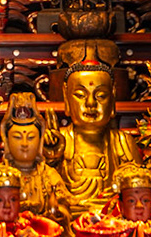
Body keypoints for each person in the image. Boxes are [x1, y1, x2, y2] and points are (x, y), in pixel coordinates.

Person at [57, 63, 142, 218]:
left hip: (112, 220)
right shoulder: (58, 141)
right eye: (80, 95)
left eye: (101, 96)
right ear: (66, 97)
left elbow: (138, 189)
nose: (90, 103)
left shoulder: (123, 142)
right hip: (69, 218)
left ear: (113, 97)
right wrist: (51, 158)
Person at [0, 92, 70, 224]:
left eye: (31, 137)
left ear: (40, 140)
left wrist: (57, 213)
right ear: (6, 140)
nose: (24, 144)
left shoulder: (49, 176)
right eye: (17, 137)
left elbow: (64, 208)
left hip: (44, 231)